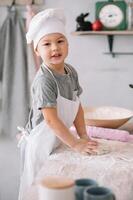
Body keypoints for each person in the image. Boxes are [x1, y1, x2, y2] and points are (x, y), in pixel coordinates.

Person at [18, 8, 98, 200]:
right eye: (47, 44)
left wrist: (83, 135)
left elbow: (76, 105)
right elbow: (51, 121)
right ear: (37, 50)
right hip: (41, 141)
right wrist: (75, 145)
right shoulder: (44, 80)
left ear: (67, 44)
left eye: (60, 41)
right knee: (40, 190)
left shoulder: (70, 72)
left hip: (58, 137)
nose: (55, 48)